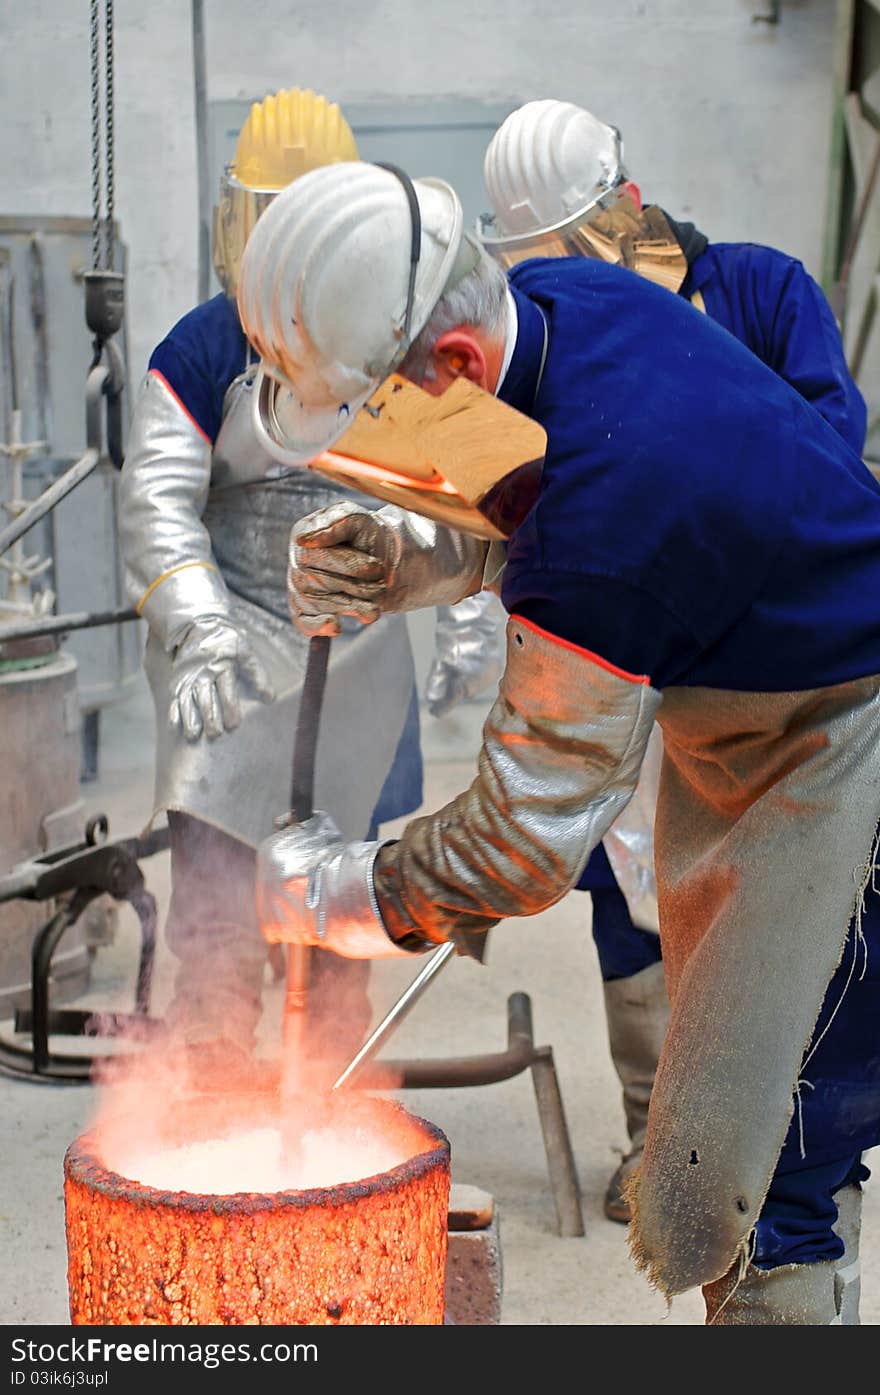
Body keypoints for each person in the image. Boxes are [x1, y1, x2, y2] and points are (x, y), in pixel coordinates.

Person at [237, 160, 880, 1324]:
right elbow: (526, 485)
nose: (364, 446)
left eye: (370, 413)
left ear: (458, 369)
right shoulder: (577, 306)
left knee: (760, 1178)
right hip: (783, 717)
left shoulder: (606, 528)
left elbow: (522, 842)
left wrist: (336, 893)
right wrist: (406, 552)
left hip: (848, 762)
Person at [473, 97, 869, 1223]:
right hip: (623, 660)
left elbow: (818, 452)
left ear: (630, 207)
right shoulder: (550, 336)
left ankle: (780, 1134)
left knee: (769, 901)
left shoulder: (758, 288)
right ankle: (661, 1133)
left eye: (584, 251)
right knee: (620, 893)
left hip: (755, 675)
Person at [118, 89, 476, 1080]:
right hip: (229, 653)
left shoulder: (407, 344)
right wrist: (198, 627)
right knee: (221, 915)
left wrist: (470, 618)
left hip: (359, 657)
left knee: (345, 905)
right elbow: (154, 500)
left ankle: (329, 1110)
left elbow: (475, 494)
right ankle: (214, 1111)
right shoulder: (200, 348)